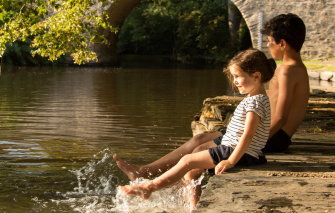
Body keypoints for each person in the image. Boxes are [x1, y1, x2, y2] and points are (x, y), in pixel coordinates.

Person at [113, 13, 309, 182]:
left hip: (271, 137)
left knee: (200, 147)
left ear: (282, 44)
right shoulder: (296, 69)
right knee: (199, 138)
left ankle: (153, 177)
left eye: (270, 42)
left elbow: (281, 117)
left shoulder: (287, 71)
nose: (267, 45)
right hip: (270, 133)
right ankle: (148, 173)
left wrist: (255, 142)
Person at [118, 49, 275, 208]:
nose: (234, 81)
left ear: (256, 76)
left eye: (238, 76)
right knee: (191, 171)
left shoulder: (255, 102)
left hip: (236, 153)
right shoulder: (256, 98)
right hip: (235, 150)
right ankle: (193, 208)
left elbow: (248, 135)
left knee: (187, 160)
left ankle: (148, 188)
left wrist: (230, 161)